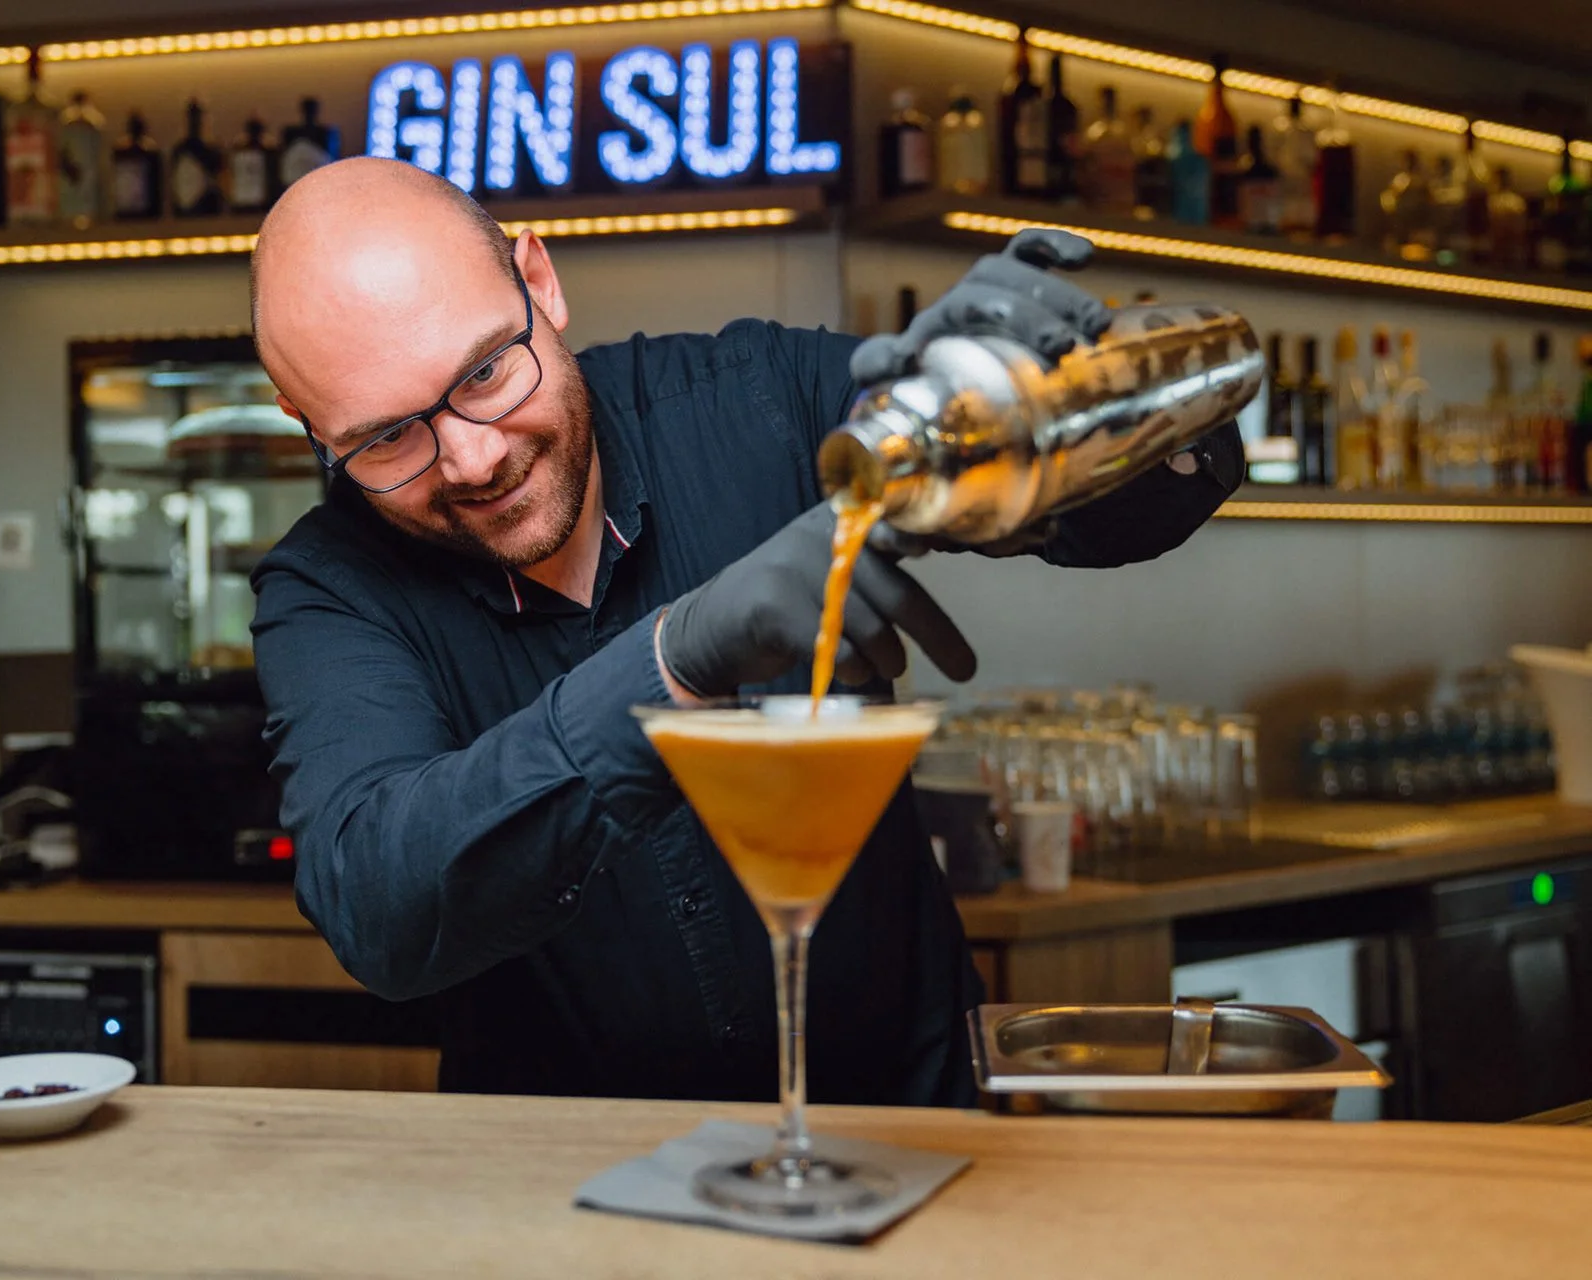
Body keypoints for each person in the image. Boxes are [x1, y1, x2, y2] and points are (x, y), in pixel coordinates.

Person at [249, 157, 1242, 1105]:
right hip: (567, 1192)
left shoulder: (761, 398)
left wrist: (1036, 409)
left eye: (483, 373)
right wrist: (673, 660)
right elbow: (380, 906)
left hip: (908, 1138)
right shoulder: (331, 587)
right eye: (386, 437)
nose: (469, 457)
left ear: (539, 282)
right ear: (307, 423)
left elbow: (1129, 508)